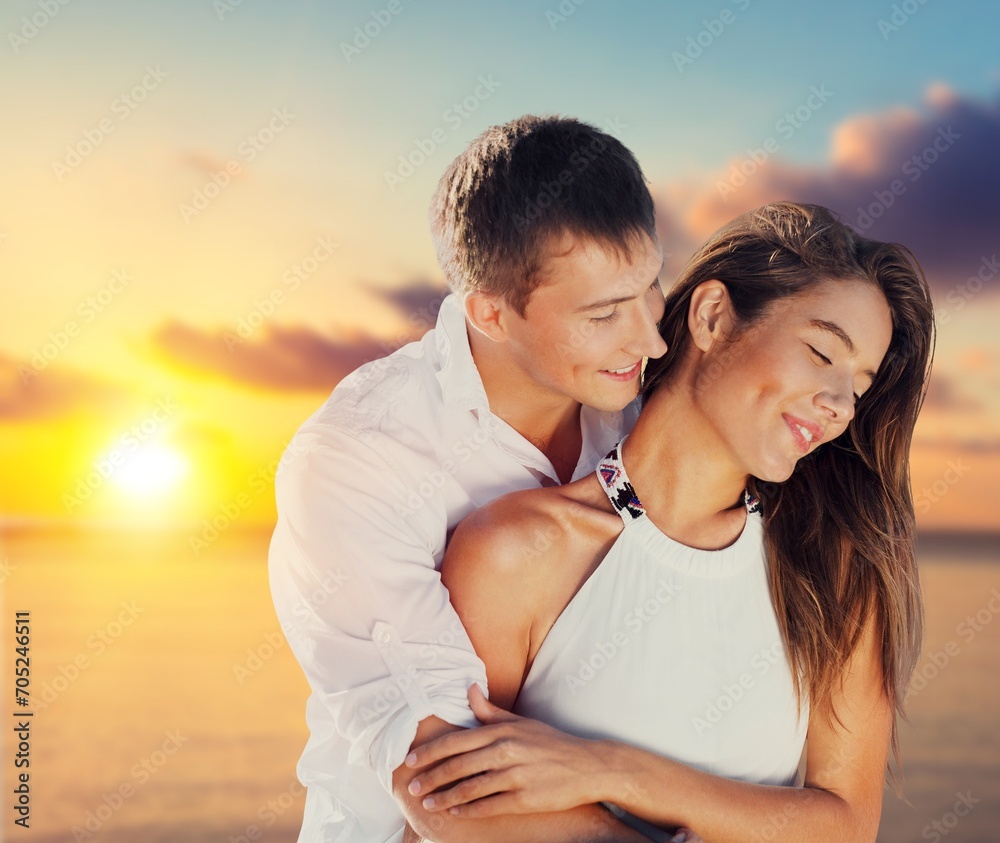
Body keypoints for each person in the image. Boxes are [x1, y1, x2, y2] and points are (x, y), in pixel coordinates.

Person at [392, 202, 935, 842]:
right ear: (712, 316)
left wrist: (615, 771)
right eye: (821, 353)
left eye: (860, 385)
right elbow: (449, 801)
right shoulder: (516, 551)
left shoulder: (834, 571)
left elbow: (843, 825)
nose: (840, 404)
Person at [268, 114, 670, 842]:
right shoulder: (358, 458)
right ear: (489, 311)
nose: (651, 337)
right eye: (606, 313)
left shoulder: (647, 404)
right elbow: (450, 783)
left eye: (651, 288)